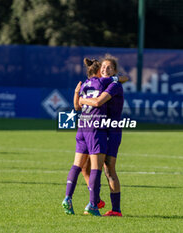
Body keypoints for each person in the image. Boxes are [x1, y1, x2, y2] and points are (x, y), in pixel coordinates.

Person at [62, 58, 116, 216]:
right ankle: (93, 205)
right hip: (95, 128)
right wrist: (116, 77)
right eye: (104, 68)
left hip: (82, 127)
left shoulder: (84, 84)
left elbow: (77, 107)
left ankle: (67, 198)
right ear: (99, 71)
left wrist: (76, 93)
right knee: (95, 168)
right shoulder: (103, 82)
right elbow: (122, 78)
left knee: (76, 165)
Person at [79, 54, 124, 216]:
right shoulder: (103, 83)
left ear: (114, 71)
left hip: (111, 130)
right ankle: (96, 200)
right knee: (86, 167)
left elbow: (98, 102)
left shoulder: (114, 85)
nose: (105, 69)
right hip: (98, 129)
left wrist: (82, 100)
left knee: (109, 168)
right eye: (103, 67)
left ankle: (114, 209)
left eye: (109, 68)